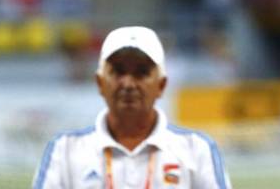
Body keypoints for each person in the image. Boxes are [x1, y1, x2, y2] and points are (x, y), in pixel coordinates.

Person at [33, 26, 231, 188]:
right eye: (118, 71)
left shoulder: (196, 149)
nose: (128, 84)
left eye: (141, 72)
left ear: (161, 85)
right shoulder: (65, 150)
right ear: (100, 83)